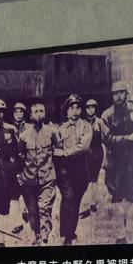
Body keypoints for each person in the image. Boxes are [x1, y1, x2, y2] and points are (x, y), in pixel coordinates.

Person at [100, 81, 133, 244]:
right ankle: (120, 235)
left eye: (121, 92)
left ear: (126, 93)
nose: (118, 96)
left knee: (132, 195)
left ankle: (121, 219)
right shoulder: (106, 115)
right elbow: (107, 138)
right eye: (115, 93)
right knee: (116, 196)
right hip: (115, 163)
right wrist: (127, 138)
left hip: (132, 162)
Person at [17, 102, 60, 246]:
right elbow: (20, 157)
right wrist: (20, 177)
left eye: (42, 111)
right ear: (30, 115)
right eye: (36, 112)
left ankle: (45, 238)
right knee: (32, 210)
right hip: (29, 180)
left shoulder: (52, 132)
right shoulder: (24, 136)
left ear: (45, 114)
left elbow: (57, 151)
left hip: (47, 178)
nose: (39, 114)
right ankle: (36, 236)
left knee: (44, 208)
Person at [53, 94, 93, 245]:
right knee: (68, 197)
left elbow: (83, 147)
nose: (75, 111)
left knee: (75, 202)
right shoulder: (60, 128)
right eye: (72, 108)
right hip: (65, 170)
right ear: (67, 111)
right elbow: (55, 148)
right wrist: (59, 154)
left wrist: (65, 152)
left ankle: (70, 233)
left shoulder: (86, 126)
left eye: (78, 108)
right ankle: (65, 234)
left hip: (81, 169)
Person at [82, 97, 105, 218]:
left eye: (92, 107)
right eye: (88, 108)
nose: (90, 110)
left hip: (96, 153)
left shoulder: (100, 122)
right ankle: (84, 204)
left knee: (94, 179)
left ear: (95, 109)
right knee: (84, 178)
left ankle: (92, 204)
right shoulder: (82, 123)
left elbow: (105, 137)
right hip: (85, 154)